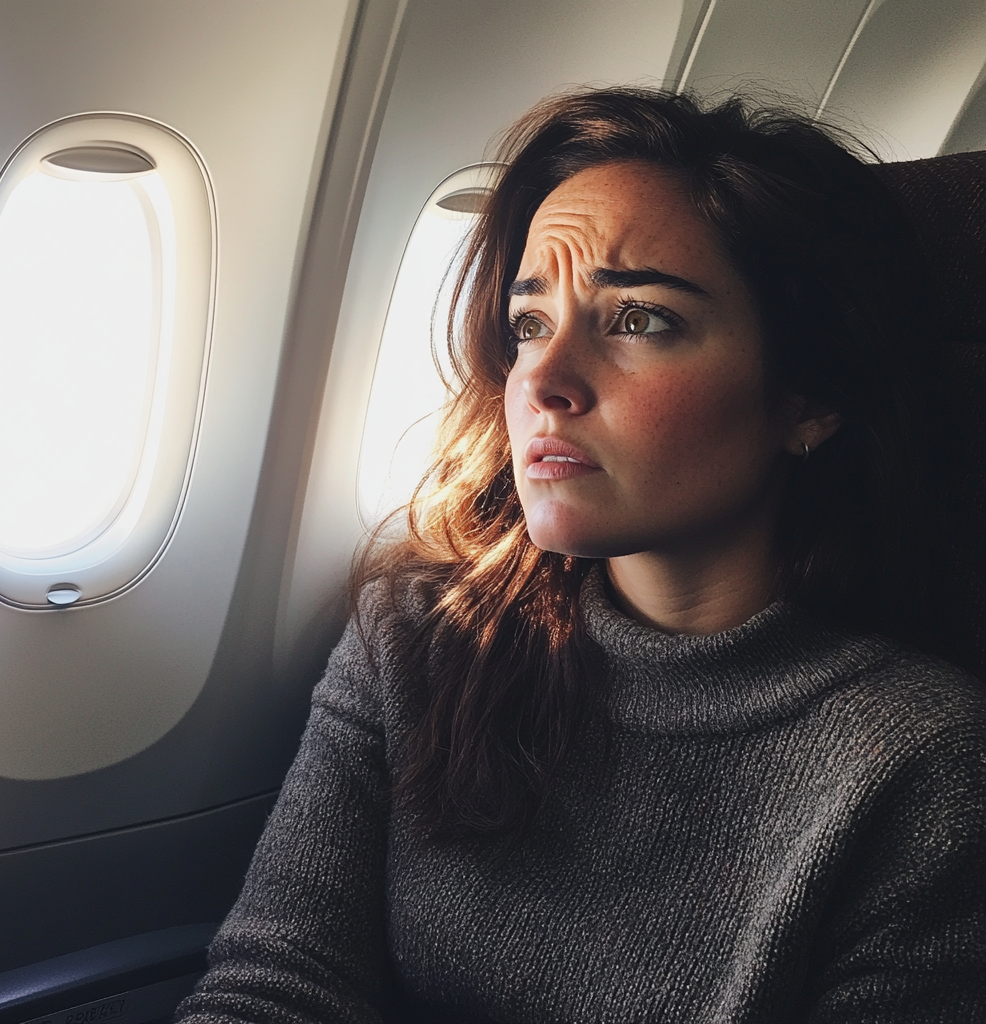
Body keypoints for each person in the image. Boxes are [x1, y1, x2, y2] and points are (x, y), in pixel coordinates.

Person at [174, 88, 986, 1023]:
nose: (544, 383)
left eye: (638, 320)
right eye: (527, 326)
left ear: (808, 399)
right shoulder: (418, 641)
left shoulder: (927, 766)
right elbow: (280, 987)